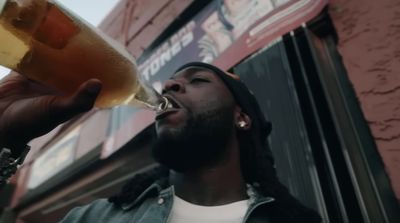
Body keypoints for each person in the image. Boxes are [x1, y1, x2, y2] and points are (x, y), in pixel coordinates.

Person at [0, 62, 321, 222]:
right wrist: (5, 136)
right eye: (171, 83)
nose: (169, 85)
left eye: (197, 80)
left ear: (242, 117)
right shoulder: (97, 217)